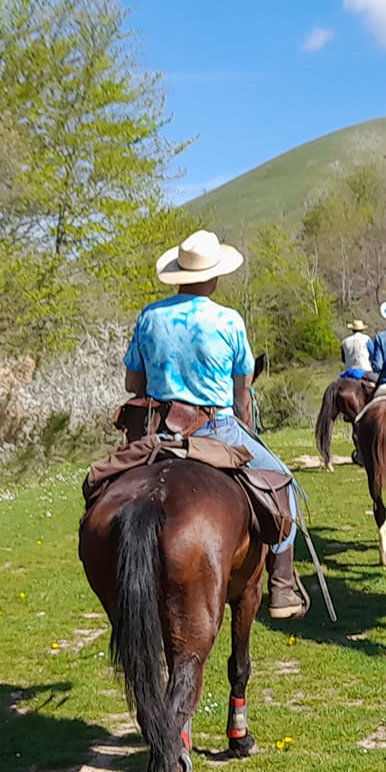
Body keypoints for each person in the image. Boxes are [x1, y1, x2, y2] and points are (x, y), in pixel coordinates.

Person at [123, 230, 309, 618]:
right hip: (214, 427)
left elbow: (132, 384)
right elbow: (243, 392)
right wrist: (246, 425)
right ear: (215, 276)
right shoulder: (227, 319)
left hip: (159, 430)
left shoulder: (150, 315)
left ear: (178, 274)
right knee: (282, 484)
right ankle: (282, 587)